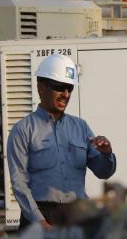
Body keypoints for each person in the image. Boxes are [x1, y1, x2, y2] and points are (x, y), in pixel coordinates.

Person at [7, 54, 116, 229]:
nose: (66, 94)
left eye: (69, 88)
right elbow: (19, 183)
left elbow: (103, 172)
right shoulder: (23, 130)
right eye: (59, 87)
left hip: (76, 217)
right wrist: (40, 222)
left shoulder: (81, 127)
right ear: (41, 87)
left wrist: (107, 154)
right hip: (40, 216)